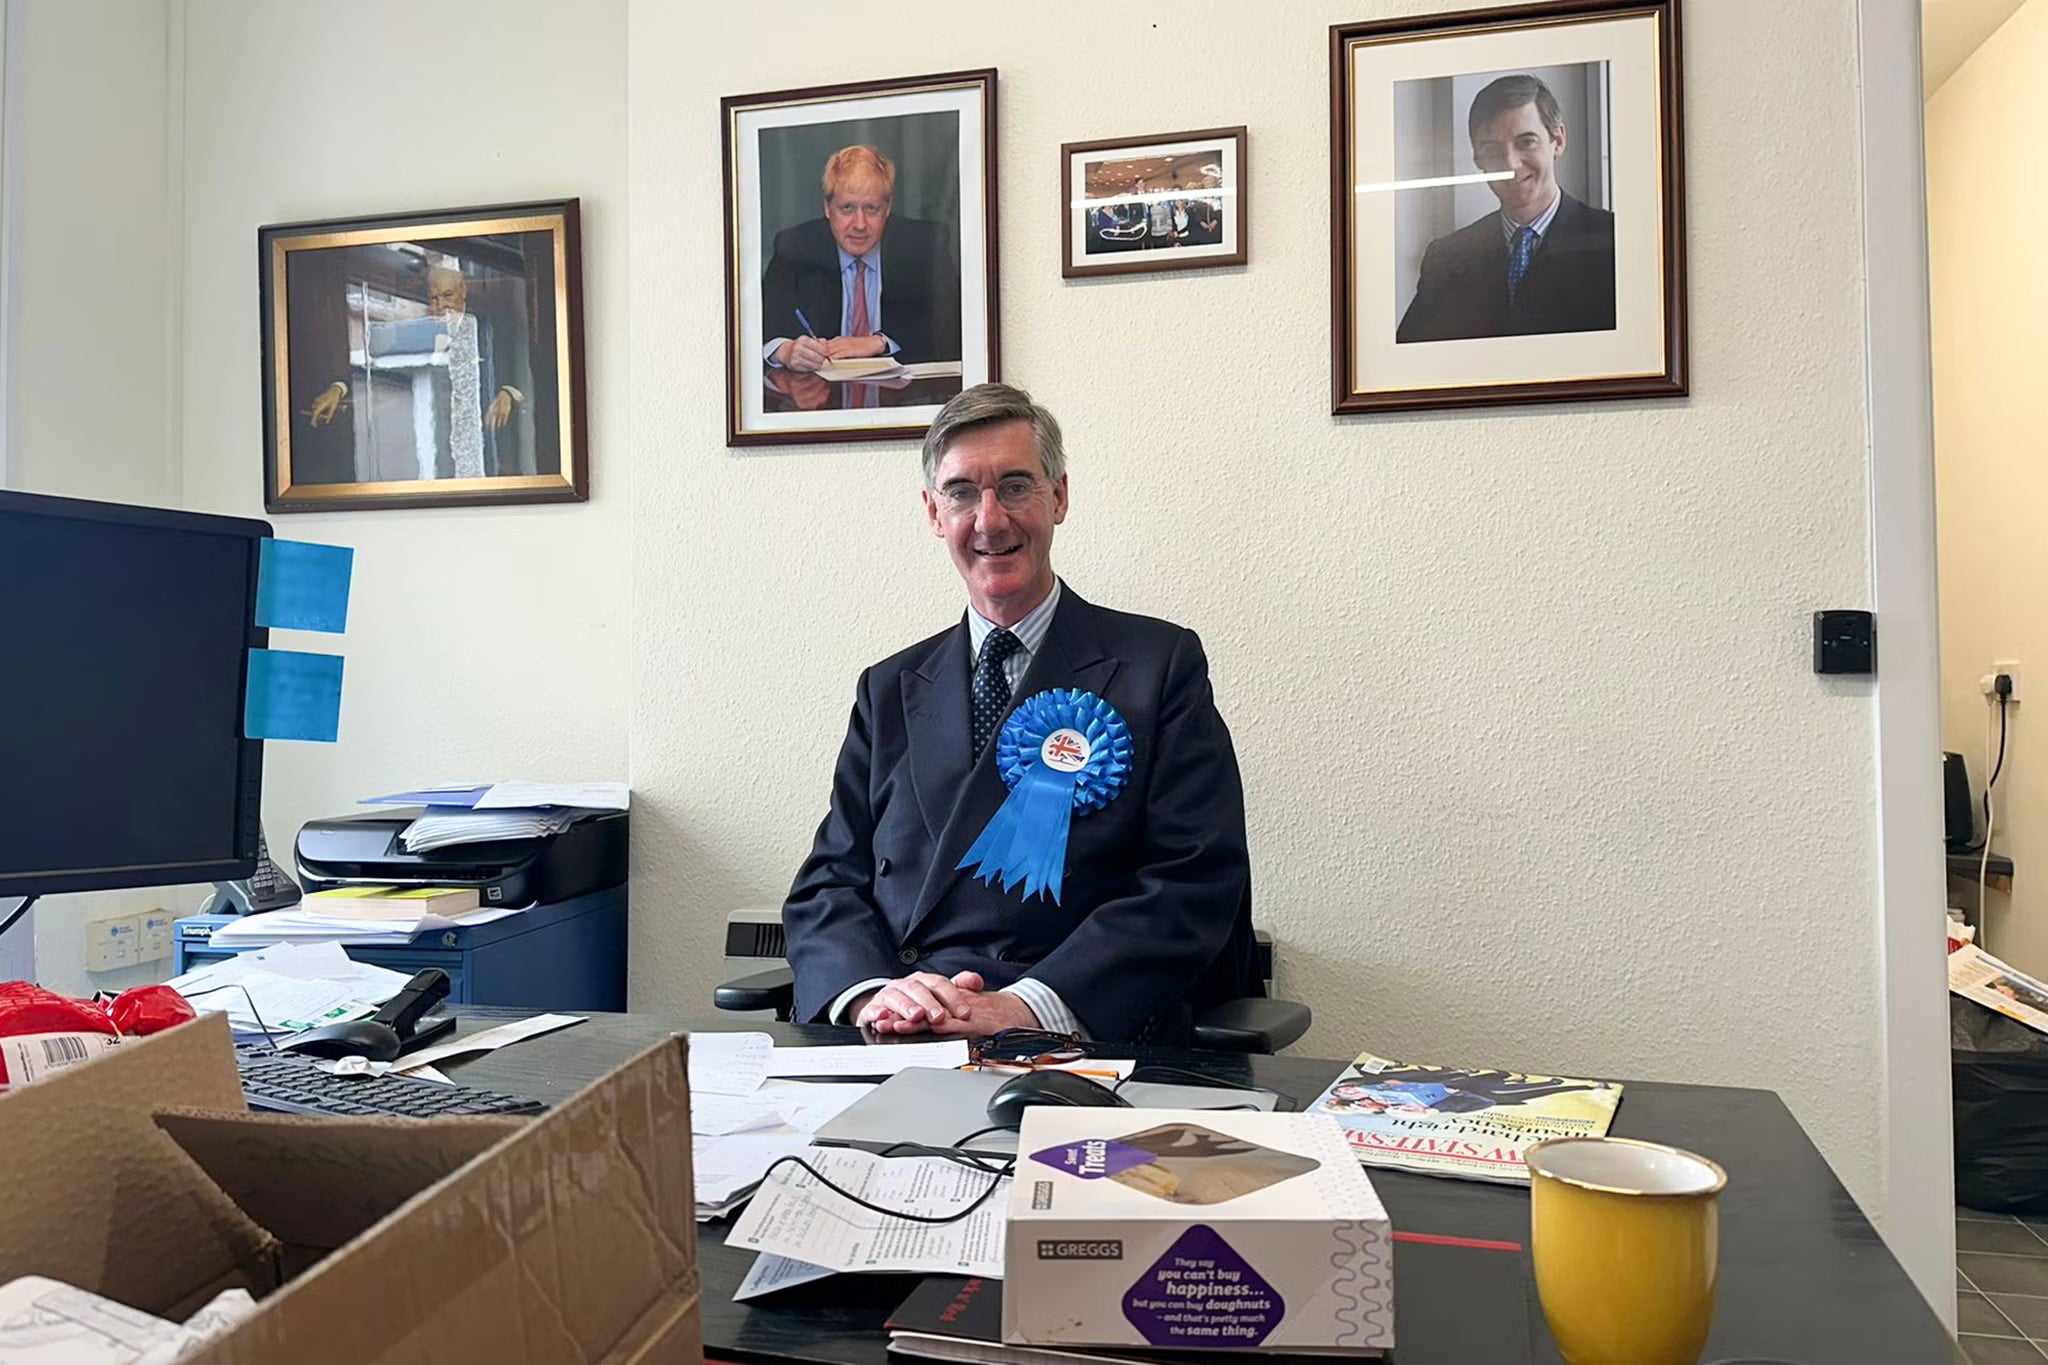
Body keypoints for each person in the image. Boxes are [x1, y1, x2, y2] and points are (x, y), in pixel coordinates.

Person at [780, 383, 1257, 1042]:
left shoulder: (1159, 666)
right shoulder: (887, 687)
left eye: (1014, 486)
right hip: (898, 1035)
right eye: (962, 493)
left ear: (1058, 496)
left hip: (1071, 1038)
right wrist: (874, 994)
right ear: (932, 511)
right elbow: (828, 883)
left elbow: (1192, 882)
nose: (989, 519)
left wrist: (1027, 1004)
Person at [1395, 73, 1616, 344]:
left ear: (1557, 141)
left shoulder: (1614, 243)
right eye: (1492, 148)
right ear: (1477, 158)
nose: (1510, 164)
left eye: (1526, 141)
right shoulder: (1447, 258)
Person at [306, 262, 538, 480]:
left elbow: (518, 368)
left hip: (491, 445)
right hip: (432, 450)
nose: (441, 307)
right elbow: (367, 364)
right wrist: (338, 388)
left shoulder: (487, 326)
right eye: (434, 299)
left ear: (463, 290)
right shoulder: (419, 331)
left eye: (448, 296)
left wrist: (508, 392)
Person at [761, 145, 961, 373]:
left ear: (888, 208)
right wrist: (785, 351)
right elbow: (760, 332)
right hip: (820, 400)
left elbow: (954, 331)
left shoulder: (923, 246)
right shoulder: (795, 248)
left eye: (872, 209)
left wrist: (882, 342)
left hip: (901, 399)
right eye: (847, 208)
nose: (859, 224)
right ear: (827, 208)